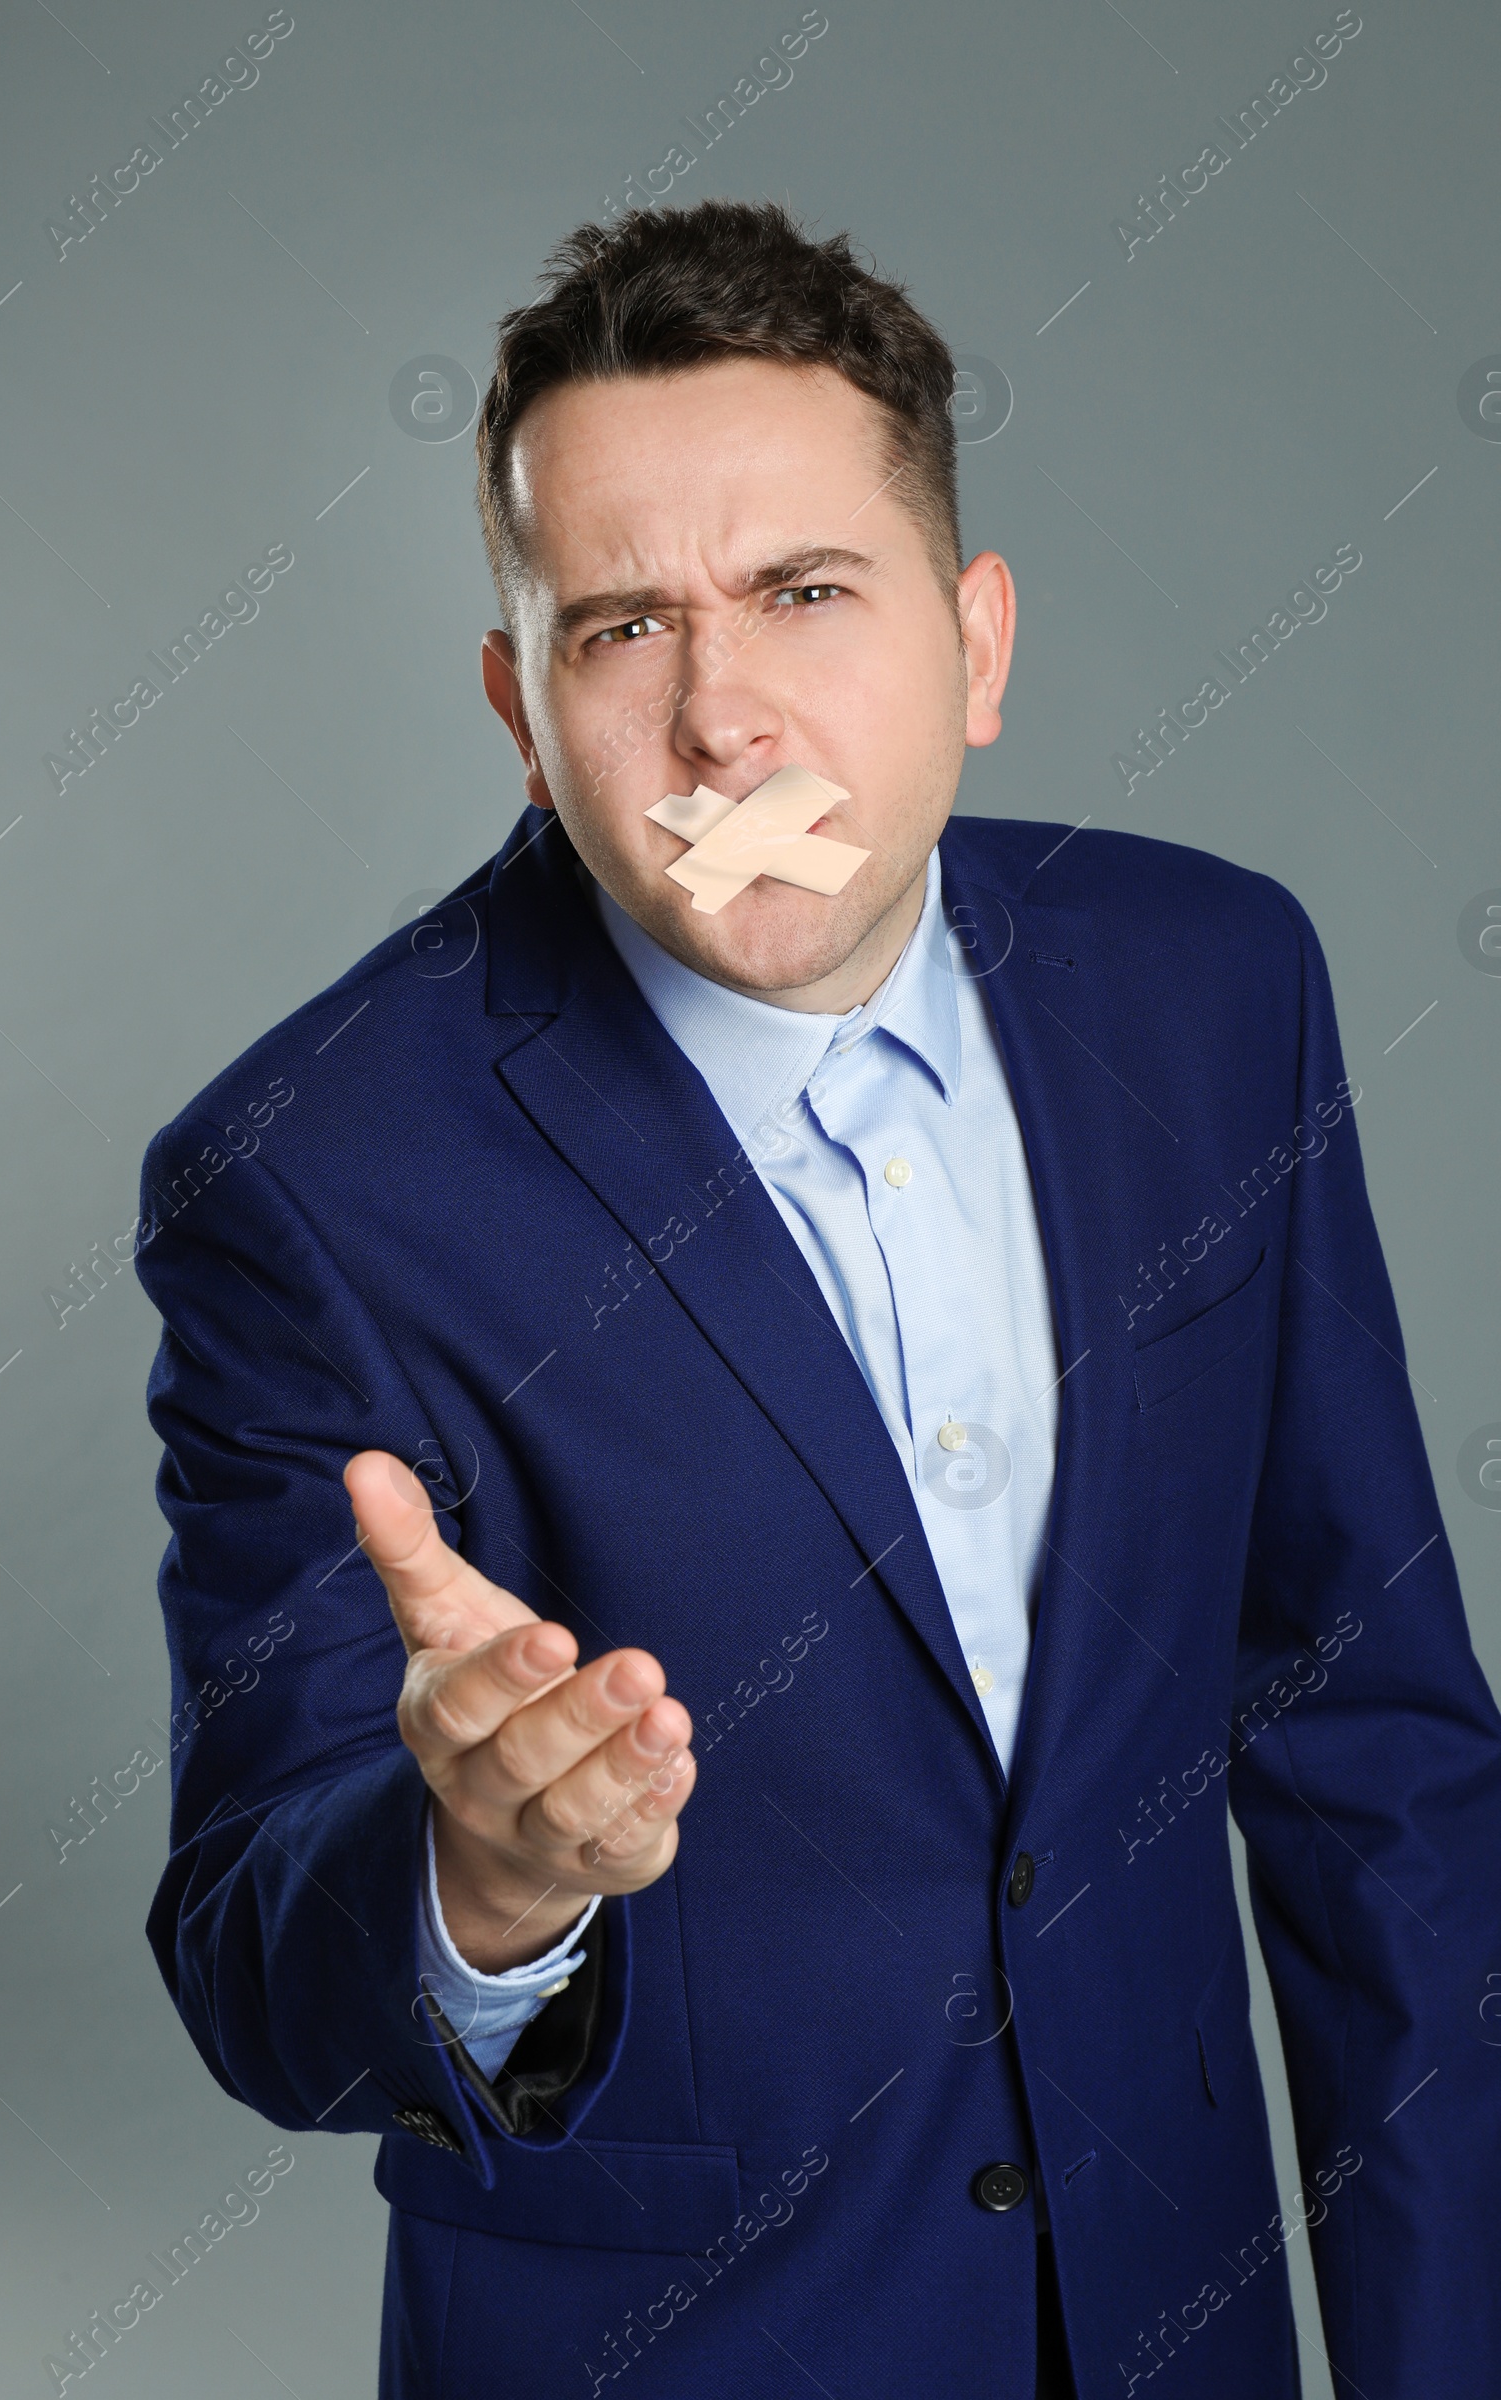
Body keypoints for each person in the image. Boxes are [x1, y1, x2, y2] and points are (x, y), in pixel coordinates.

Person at [135, 199, 1501, 2399]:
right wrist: (482, 1884)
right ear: (518, 708)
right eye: (615, 631)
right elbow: (248, 1966)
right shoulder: (309, 1176)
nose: (717, 724)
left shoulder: (1212, 988)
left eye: (798, 594)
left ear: (972, 644)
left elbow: (1373, 1755)